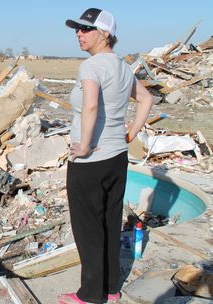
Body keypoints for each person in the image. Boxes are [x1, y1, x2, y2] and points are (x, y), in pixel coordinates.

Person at [59, 8, 154, 304]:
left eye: (86, 29)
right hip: (117, 157)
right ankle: (111, 289)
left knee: (88, 229)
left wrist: (84, 147)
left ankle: (89, 295)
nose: (79, 33)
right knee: (110, 223)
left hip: (90, 161)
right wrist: (131, 133)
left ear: (105, 34)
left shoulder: (92, 67)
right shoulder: (124, 67)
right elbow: (147, 98)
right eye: (77, 28)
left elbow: (89, 108)